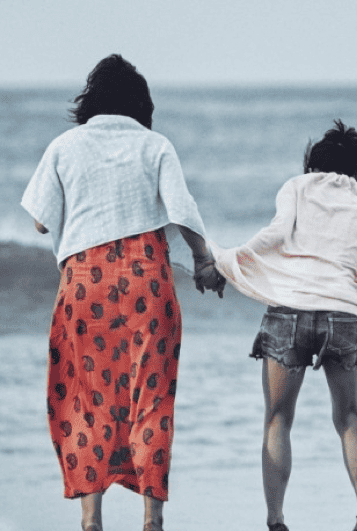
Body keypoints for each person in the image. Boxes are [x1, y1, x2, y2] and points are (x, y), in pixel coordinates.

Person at [20, 54, 225, 531]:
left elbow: (39, 218)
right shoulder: (155, 146)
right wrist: (203, 260)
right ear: (140, 103)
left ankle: (91, 519)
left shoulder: (65, 146)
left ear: (90, 101)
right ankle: (152, 519)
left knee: (83, 398)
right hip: (146, 282)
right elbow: (182, 211)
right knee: (151, 398)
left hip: (84, 285)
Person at [209, 120, 357, 531]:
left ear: (313, 163)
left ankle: (275, 520)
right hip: (344, 315)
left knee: (277, 419)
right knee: (349, 417)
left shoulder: (297, 186)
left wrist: (228, 261)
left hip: (289, 309)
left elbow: (274, 235)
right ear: (355, 169)